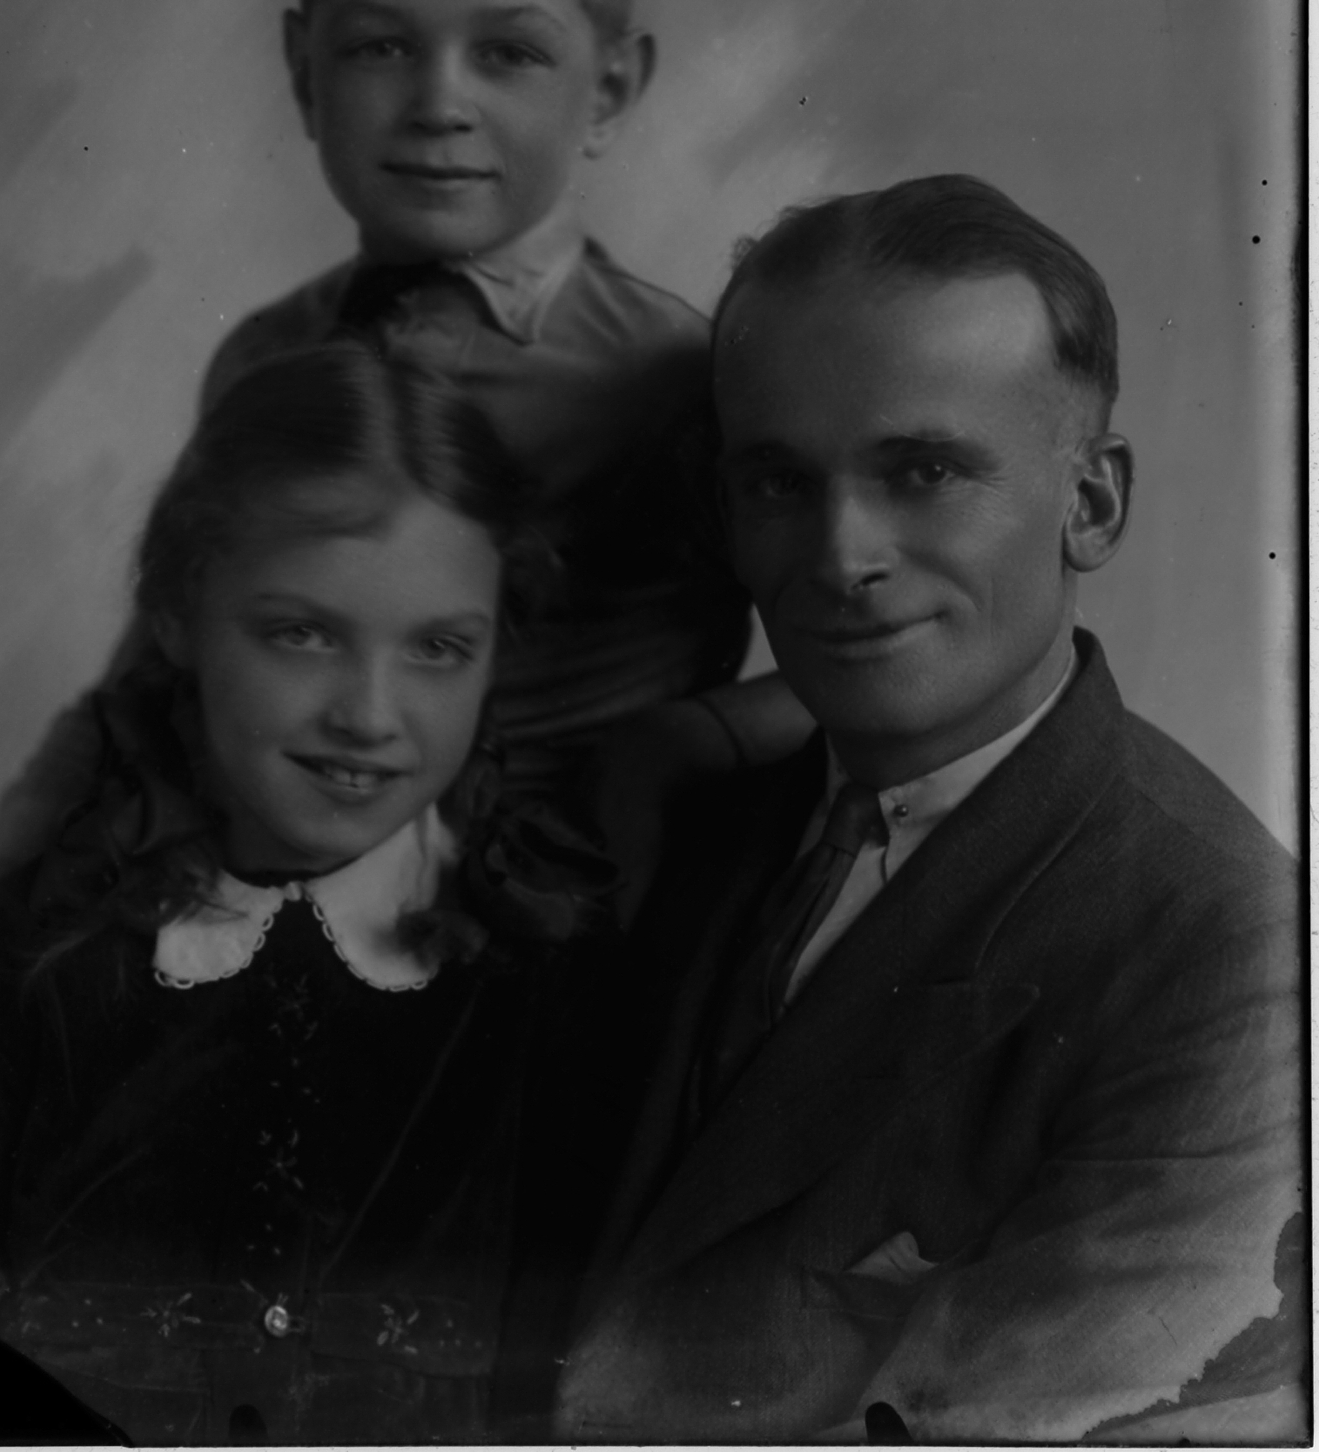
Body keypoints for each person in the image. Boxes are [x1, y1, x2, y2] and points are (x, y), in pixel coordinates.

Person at [0, 0, 810, 904]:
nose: (438, 104)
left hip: (550, 928)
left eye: (508, 54)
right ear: (304, 74)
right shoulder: (270, 356)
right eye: (381, 47)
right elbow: (150, 687)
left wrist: (672, 747)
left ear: (608, 90)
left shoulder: (676, 380)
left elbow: (848, 657)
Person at [555, 176, 1304, 1444]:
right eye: (780, 483)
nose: (841, 556)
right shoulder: (694, 819)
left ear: (1092, 505)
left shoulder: (1237, 962)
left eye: (925, 472)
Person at [0, 342, 620, 1446]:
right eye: (301, 633)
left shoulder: (553, 977)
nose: (369, 714)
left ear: (501, 646)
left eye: (438, 649)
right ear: (178, 613)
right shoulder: (16, 957)